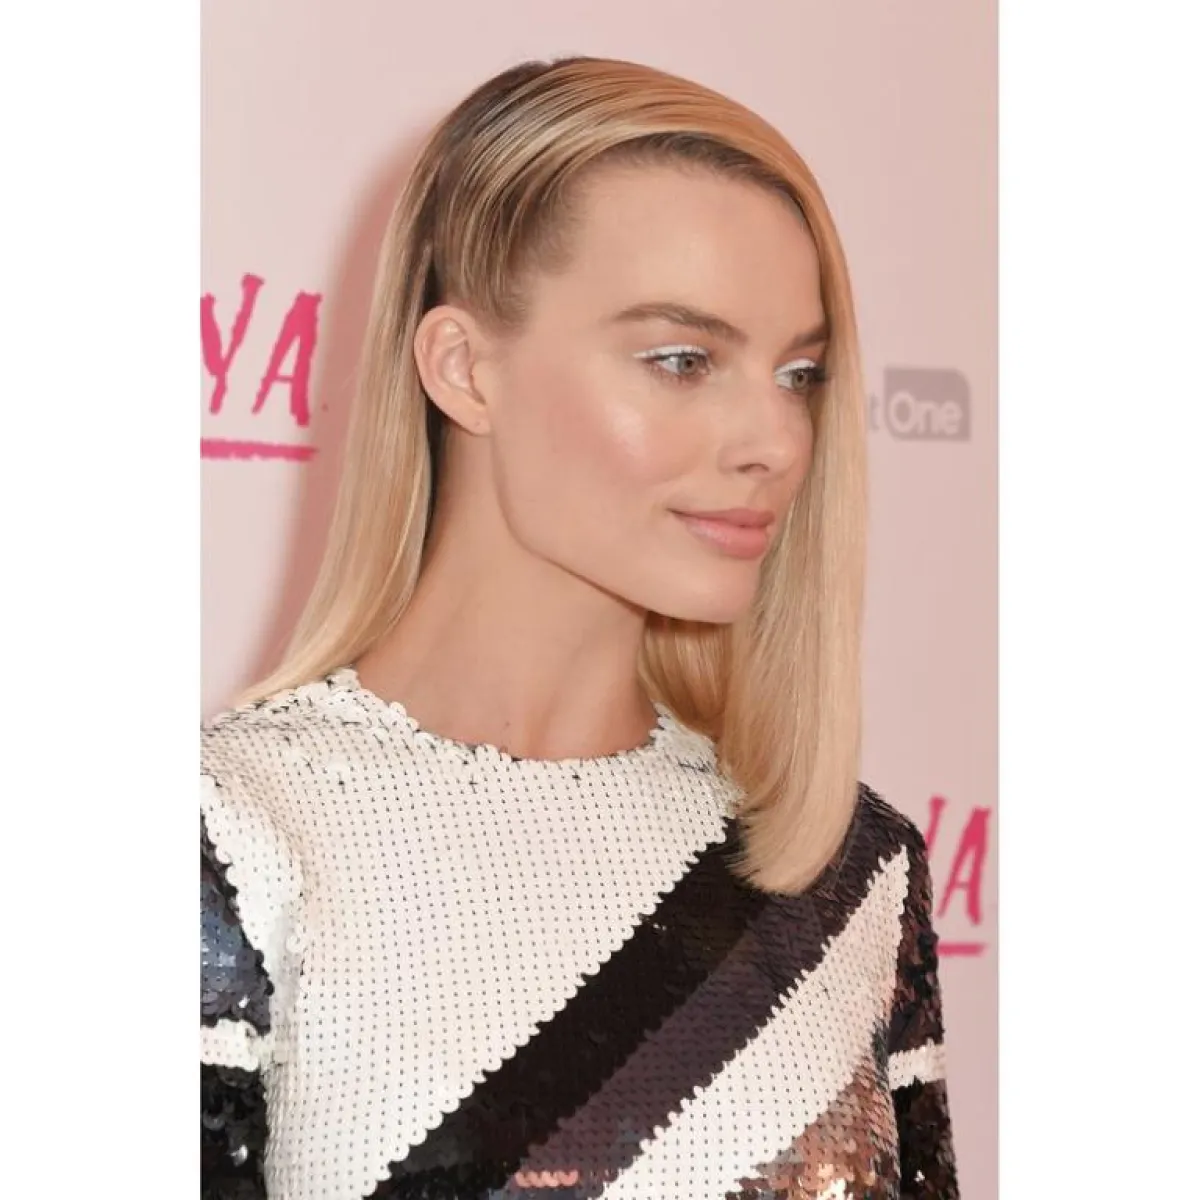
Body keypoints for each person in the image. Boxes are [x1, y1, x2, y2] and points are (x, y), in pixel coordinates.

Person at [201, 55, 958, 1200]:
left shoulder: (848, 871)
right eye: (683, 360)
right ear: (465, 369)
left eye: (799, 373)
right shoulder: (233, 838)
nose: (776, 440)